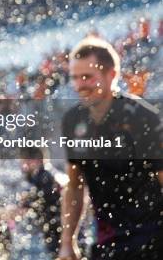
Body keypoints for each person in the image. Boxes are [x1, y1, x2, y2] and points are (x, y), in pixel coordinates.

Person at [58, 37, 162, 260]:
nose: (79, 85)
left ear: (111, 75)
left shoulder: (142, 118)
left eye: (87, 77)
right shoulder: (73, 120)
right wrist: (68, 242)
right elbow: (75, 185)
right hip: (108, 240)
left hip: (152, 235)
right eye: (74, 78)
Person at [18, 147, 61, 256]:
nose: (23, 166)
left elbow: (34, 202)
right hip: (51, 228)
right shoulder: (41, 176)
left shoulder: (43, 177)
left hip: (55, 228)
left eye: (26, 161)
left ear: (36, 161)